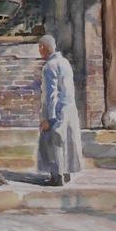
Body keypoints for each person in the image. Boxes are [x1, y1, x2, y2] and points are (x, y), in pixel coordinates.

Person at [37, 34, 84, 186]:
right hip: (69, 108)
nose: (39, 51)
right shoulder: (65, 62)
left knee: (54, 143)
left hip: (56, 111)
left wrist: (49, 119)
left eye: (39, 47)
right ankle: (66, 173)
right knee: (67, 141)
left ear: (43, 47)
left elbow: (51, 95)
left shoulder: (49, 66)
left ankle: (57, 176)